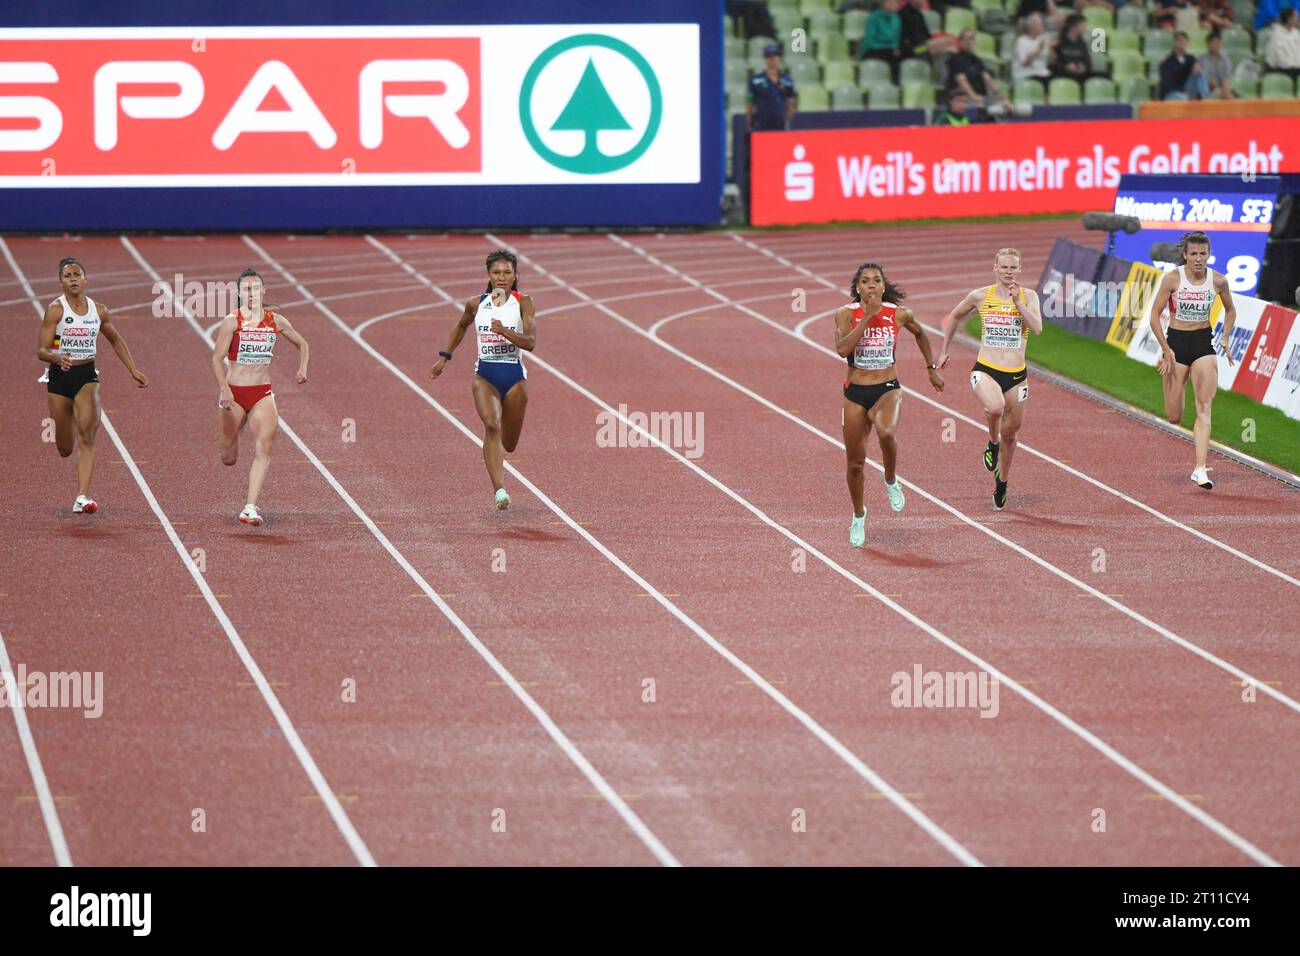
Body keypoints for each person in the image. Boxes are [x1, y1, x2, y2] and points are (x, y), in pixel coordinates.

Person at [834, 262, 945, 548]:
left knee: (886, 432)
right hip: (855, 392)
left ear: (884, 287)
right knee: (855, 464)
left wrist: (931, 368)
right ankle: (859, 515)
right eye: (865, 281)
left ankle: (891, 479)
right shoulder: (846, 314)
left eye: (876, 280)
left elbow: (920, 333)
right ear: (857, 288)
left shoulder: (899, 314)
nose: (871, 285)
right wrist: (866, 319)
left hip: (887, 387)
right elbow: (842, 349)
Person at [36, 257, 148, 515]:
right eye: (67, 276)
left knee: (87, 433)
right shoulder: (55, 310)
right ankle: (67, 430)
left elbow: (115, 340)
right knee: (65, 448)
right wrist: (57, 357)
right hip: (59, 377)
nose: (73, 279)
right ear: (61, 282)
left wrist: (133, 370)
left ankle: (83, 497)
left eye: (77, 274)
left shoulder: (99, 311)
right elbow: (41, 350)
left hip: (87, 374)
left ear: (85, 279)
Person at [936, 249, 1043, 510]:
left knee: (1011, 435)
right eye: (1004, 267)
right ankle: (992, 444)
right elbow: (955, 315)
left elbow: (1038, 329)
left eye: (1013, 267)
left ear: (1020, 270)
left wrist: (1018, 304)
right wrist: (944, 350)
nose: (1009, 272)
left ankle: (1002, 482)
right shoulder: (980, 295)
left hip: (1017, 376)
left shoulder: (1029, 296)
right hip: (986, 369)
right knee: (995, 408)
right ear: (995, 268)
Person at [430, 250, 537, 511]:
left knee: (509, 444)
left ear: (515, 275)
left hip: (514, 377)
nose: (501, 277)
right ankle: (499, 490)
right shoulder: (476, 304)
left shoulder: (524, 303)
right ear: (489, 275)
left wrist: (504, 332)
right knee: (491, 424)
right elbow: (461, 326)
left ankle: (499, 456)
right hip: (485, 376)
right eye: (496, 272)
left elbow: (531, 342)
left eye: (507, 272)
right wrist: (445, 356)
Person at [211, 268, 310, 527]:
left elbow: (302, 344)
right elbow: (216, 359)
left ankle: (249, 507)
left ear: (263, 291)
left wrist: (302, 368)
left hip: (262, 393)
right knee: (228, 457)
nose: (252, 293)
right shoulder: (231, 322)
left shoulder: (276, 321)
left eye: (255, 288)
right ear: (239, 293)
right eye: (247, 289)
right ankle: (236, 431)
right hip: (234, 392)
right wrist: (224, 389)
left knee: (264, 448)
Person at [1147, 232, 1236, 489]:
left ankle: (1200, 469)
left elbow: (1230, 310)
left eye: (1202, 254)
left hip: (1202, 344)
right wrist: (1166, 349)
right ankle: (1180, 383)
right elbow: (1154, 315)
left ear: (1209, 254)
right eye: (1194, 254)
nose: (1198, 259)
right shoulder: (1173, 278)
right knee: (1174, 416)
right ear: (1185, 255)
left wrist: (1225, 337)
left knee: (1204, 407)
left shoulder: (1218, 281)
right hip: (1176, 345)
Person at [947, 29, 1014, 114]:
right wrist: (974, 97)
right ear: (960, 41)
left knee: (1007, 106)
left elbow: (988, 79)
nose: (969, 41)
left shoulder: (976, 60)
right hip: (964, 98)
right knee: (986, 108)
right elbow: (962, 81)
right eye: (965, 38)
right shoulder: (955, 59)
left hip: (981, 98)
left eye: (971, 38)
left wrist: (1001, 96)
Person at [747, 43, 796, 132]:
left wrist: (786, 122)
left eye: (775, 56)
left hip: (780, 126)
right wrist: (750, 125)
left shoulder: (787, 81)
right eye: (769, 56)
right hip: (761, 126)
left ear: (779, 58)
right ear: (765, 59)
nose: (772, 59)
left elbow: (791, 104)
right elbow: (749, 103)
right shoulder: (755, 81)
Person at [861, 0, 904, 82]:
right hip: (873, 50)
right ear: (883, 3)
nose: (892, 4)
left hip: (890, 52)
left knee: (904, 54)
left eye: (894, 2)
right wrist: (888, 48)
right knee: (892, 56)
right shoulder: (874, 17)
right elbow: (869, 42)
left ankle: (896, 85)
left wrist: (894, 49)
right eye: (889, 2)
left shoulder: (896, 19)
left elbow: (896, 40)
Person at [1160, 30, 1210, 98]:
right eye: (1179, 40)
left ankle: (1205, 98)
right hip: (1173, 93)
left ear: (1188, 43)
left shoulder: (1191, 59)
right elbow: (1167, 85)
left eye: (1184, 40)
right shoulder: (1167, 62)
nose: (1182, 42)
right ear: (1174, 42)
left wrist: (1198, 69)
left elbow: (1195, 78)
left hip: (1187, 90)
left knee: (1199, 73)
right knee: (1182, 97)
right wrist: (1183, 92)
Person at [1012, 13, 1054, 87]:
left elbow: (1051, 61)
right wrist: (1038, 50)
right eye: (1040, 25)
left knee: (1057, 79)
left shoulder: (1042, 39)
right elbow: (1025, 62)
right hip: (1026, 74)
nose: (1043, 27)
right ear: (1032, 27)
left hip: (1042, 73)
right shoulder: (1021, 41)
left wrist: (1051, 48)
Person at [1051, 14, 1093, 86]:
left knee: (1101, 76)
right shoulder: (1059, 42)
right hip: (1064, 74)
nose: (1085, 28)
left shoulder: (1082, 43)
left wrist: (1084, 67)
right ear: (1073, 27)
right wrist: (1066, 67)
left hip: (1080, 74)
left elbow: (1088, 61)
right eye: (1082, 25)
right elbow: (1053, 63)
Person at [1265, 8, 1300, 81]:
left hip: (1294, 67)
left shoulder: (1295, 33)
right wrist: (1295, 66)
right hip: (1278, 68)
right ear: (1289, 19)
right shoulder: (1276, 34)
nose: (1298, 18)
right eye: (1296, 16)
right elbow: (1279, 58)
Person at [1199, 31, 1235, 97]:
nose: (1216, 45)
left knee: (1224, 91)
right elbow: (1201, 79)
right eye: (1213, 43)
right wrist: (1210, 84)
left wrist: (1220, 88)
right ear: (1207, 44)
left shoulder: (1226, 61)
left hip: (1221, 88)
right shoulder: (1201, 60)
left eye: (1218, 43)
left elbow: (1225, 80)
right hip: (1205, 89)